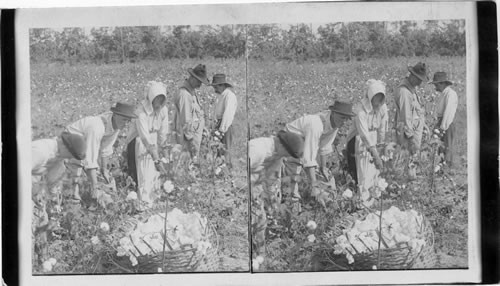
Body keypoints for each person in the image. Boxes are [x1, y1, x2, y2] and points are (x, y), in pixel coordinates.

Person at [249, 130, 304, 263]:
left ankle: (260, 256)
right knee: (254, 219)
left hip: (256, 187)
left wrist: (273, 205)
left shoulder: (276, 156)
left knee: (261, 221)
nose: (286, 156)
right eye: (286, 153)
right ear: (281, 145)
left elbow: (272, 182)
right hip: (244, 187)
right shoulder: (257, 149)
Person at [283, 101, 355, 202]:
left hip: (306, 143)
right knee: (293, 176)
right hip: (289, 142)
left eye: (347, 119)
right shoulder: (315, 124)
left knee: (324, 175)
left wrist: (323, 168)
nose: (344, 122)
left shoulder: (334, 125)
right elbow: (309, 157)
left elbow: (324, 147)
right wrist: (314, 184)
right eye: (342, 118)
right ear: (333, 113)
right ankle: (292, 203)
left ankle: (326, 201)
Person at [65, 102, 137, 201]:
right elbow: (90, 158)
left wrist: (104, 170)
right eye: (124, 119)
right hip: (68, 145)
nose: (126, 124)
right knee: (73, 183)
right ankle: (69, 203)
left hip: (81, 148)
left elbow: (106, 148)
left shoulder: (115, 126)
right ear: (115, 115)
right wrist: (95, 186)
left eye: (128, 121)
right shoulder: (97, 126)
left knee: (99, 178)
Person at [125, 81, 169, 209]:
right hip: (138, 142)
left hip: (153, 141)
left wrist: (164, 154)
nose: (159, 102)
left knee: (155, 174)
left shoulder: (163, 110)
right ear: (151, 98)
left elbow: (163, 133)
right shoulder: (141, 112)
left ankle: (154, 200)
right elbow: (144, 137)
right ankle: (143, 203)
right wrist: (156, 158)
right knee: (144, 173)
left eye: (162, 99)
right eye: (157, 99)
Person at [345, 79, 388, 207]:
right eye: (376, 97)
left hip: (374, 138)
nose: (379, 101)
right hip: (359, 141)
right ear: (370, 97)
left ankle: (375, 195)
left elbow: (382, 128)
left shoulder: (383, 108)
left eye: (381, 97)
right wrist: (375, 154)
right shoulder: (361, 110)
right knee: (364, 170)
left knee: (376, 170)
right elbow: (364, 135)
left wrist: (381, 146)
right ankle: (364, 199)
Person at [32, 132, 87, 207]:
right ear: (65, 147)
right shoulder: (41, 151)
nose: (70, 158)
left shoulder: (59, 158)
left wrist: (55, 200)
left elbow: (53, 181)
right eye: (70, 155)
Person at [172, 64, 210, 161]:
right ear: (192, 78)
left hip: (195, 134)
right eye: (198, 81)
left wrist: (203, 127)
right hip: (188, 138)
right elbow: (185, 120)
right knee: (188, 161)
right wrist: (190, 139)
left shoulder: (192, 91)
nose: (200, 85)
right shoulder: (184, 94)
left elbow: (196, 113)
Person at [393, 62, 429, 155]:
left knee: (414, 159)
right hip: (408, 134)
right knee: (408, 159)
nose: (420, 83)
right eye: (419, 80)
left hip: (414, 129)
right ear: (413, 76)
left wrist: (423, 124)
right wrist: (411, 138)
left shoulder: (412, 87)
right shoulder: (404, 92)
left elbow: (416, 108)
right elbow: (405, 117)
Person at [429, 72, 458, 168]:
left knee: (447, 146)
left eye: (436, 85)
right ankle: (441, 167)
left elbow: (448, 112)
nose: (435, 87)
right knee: (441, 147)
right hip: (442, 122)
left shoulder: (450, 94)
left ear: (442, 83)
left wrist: (443, 127)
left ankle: (447, 168)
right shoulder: (444, 94)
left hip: (447, 123)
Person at [211, 74, 238, 168]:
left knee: (225, 150)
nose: (214, 88)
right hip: (219, 124)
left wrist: (221, 130)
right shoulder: (221, 96)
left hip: (225, 126)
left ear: (222, 85)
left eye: (216, 86)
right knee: (219, 150)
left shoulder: (229, 96)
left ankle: (227, 173)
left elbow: (228, 114)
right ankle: (220, 171)